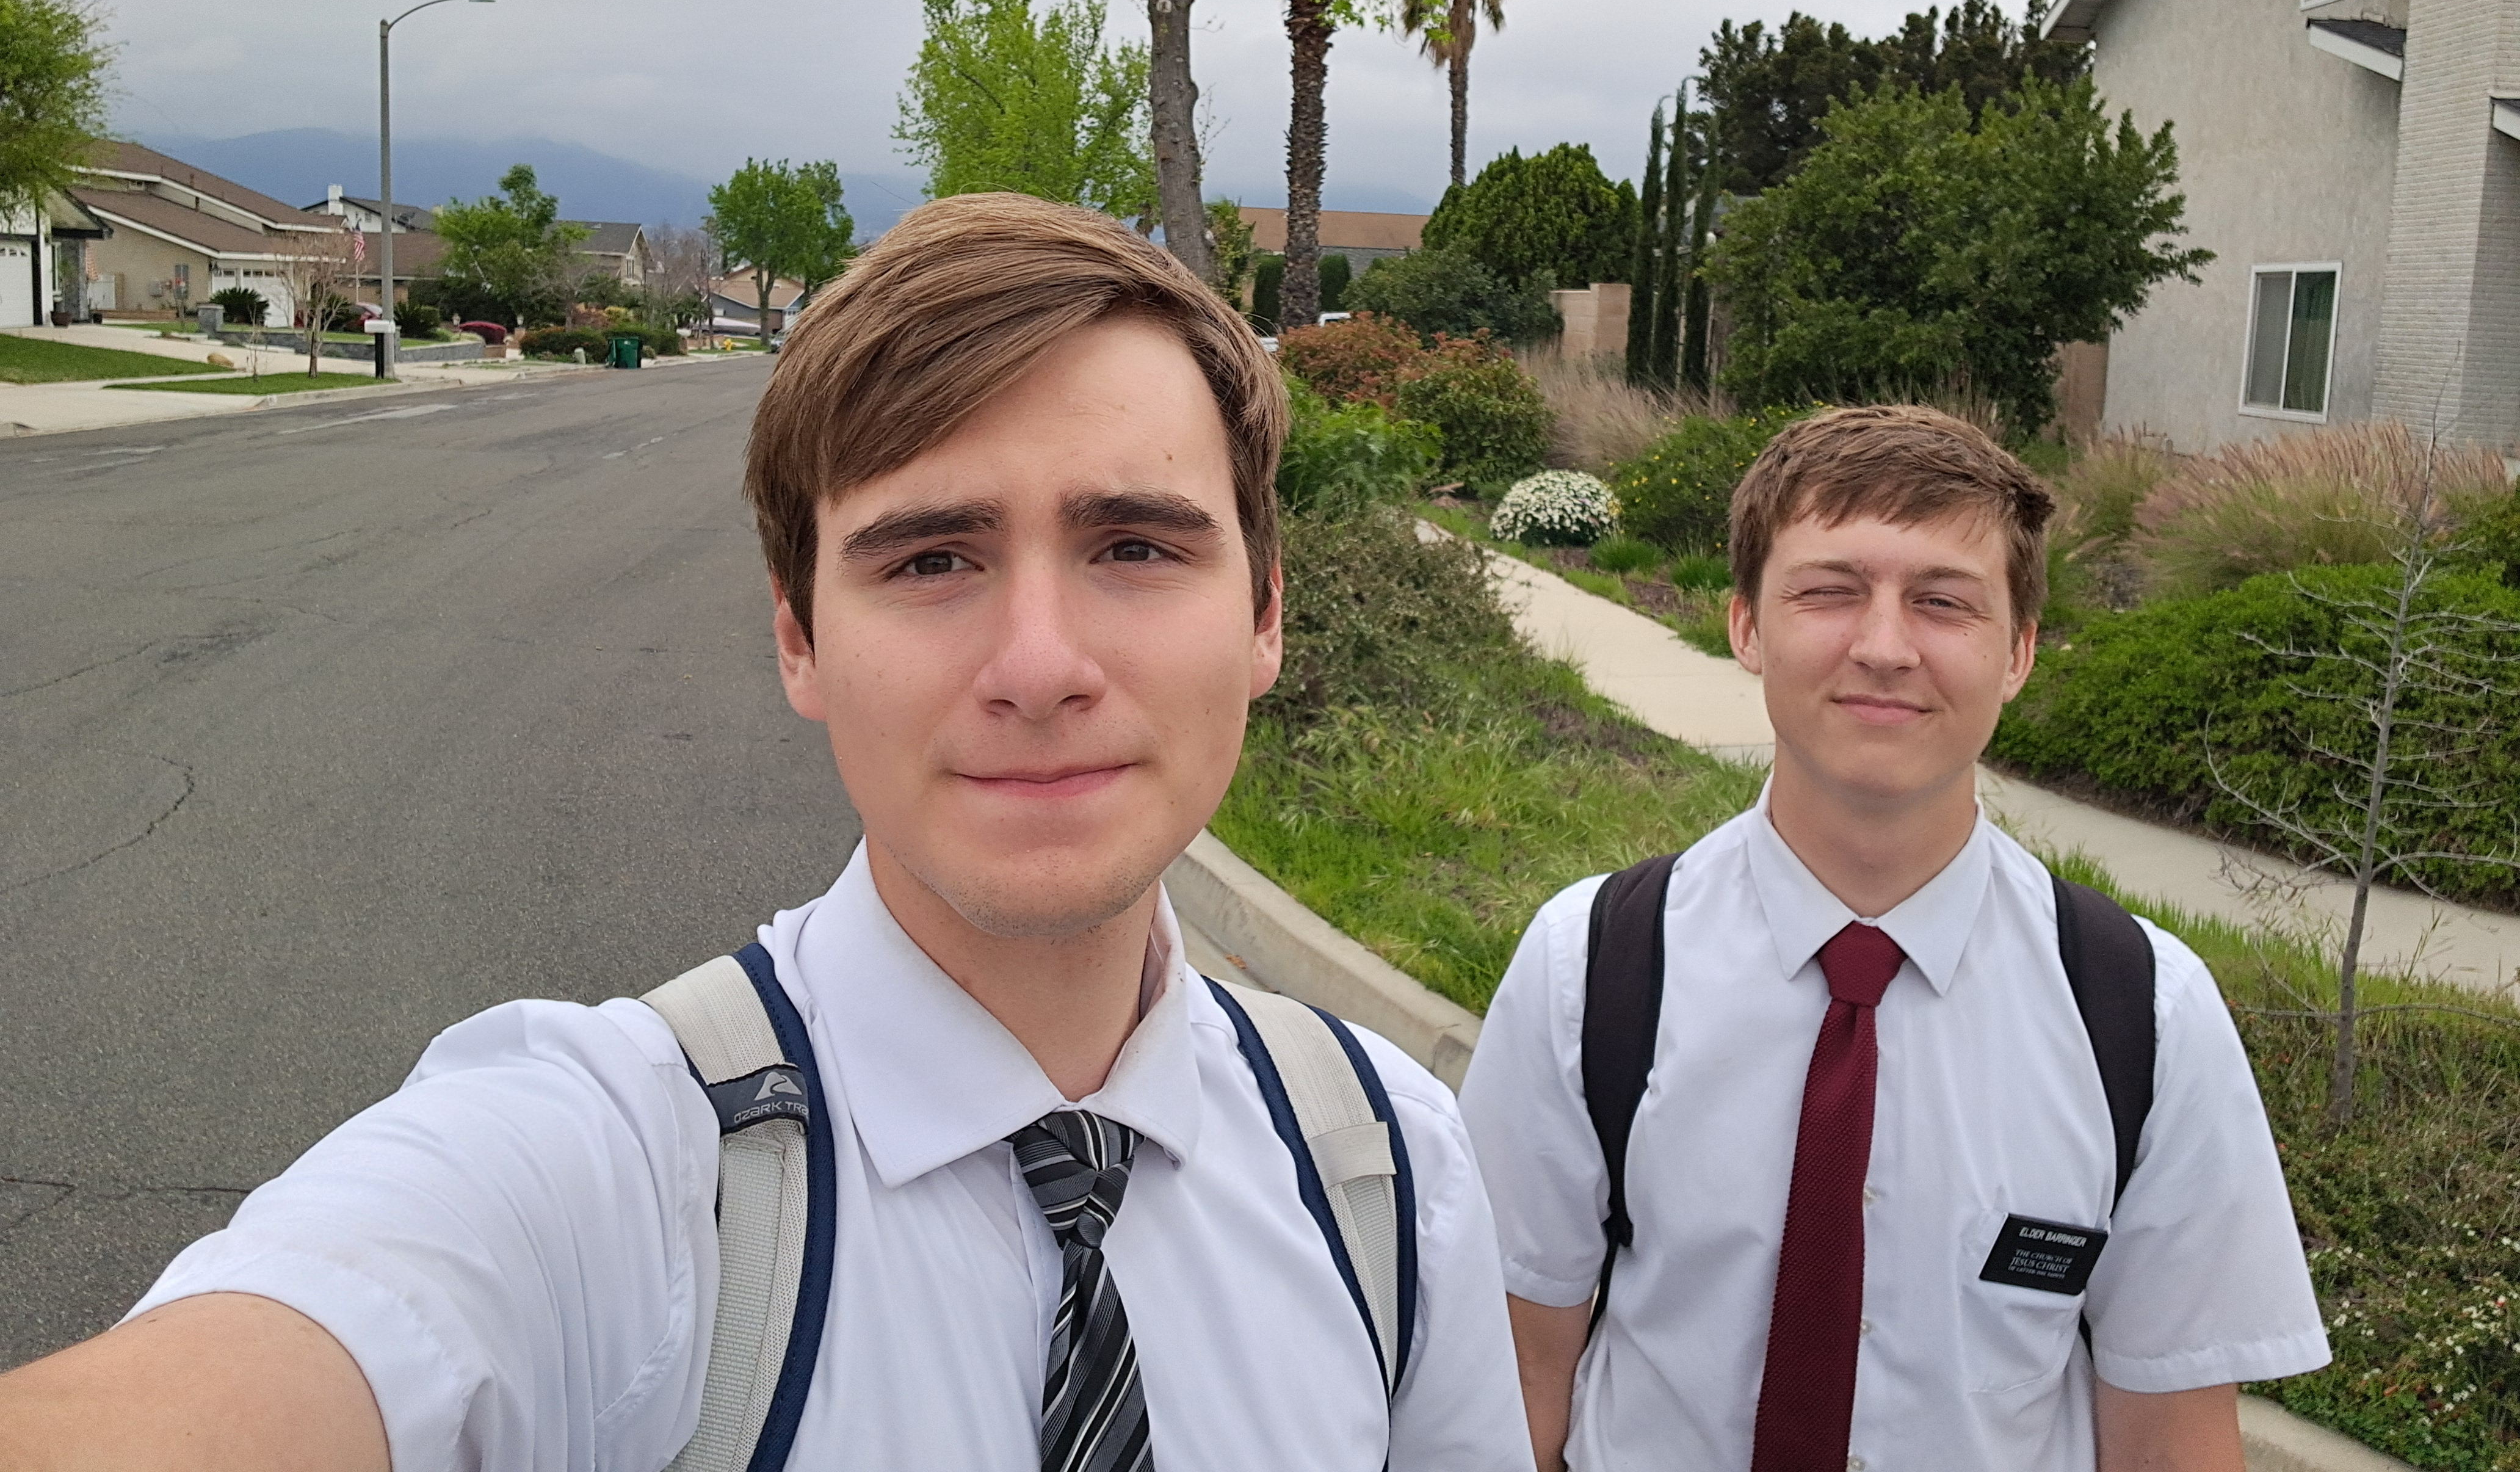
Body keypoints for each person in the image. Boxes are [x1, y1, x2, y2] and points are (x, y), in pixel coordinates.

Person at [0, 195, 1533, 1472]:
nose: (1040, 664)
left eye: (1136, 545)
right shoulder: (613, 1175)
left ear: (1263, 613)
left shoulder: (1390, 1170)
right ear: (798, 638)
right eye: (932, 560)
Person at [1458, 406, 2328, 1472]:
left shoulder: (2144, 1011)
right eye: (1828, 592)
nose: (1882, 647)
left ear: (2018, 654)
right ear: (1744, 627)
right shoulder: (1588, 968)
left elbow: (2170, 1432)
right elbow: (1518, 1369)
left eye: (1943, 603)